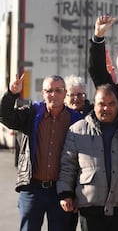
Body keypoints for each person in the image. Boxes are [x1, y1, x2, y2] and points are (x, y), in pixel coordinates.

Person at [0, 74, 82, 231]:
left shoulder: (76, 120)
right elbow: (6, 116)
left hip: (60, 191)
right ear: (43, 93)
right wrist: (11, 94)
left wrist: (74, 192)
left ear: (65, 93)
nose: (53, 95)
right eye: (49, 90)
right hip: (32, 189)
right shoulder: (32, 113)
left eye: (58, 90)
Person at [57, 84, 118, 231]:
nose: (106, 108)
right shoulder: (77, 130)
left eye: (111, 104)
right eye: (101, 104)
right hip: (91, 205)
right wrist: (66, 193)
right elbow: (68, 165)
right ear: (94, 104)